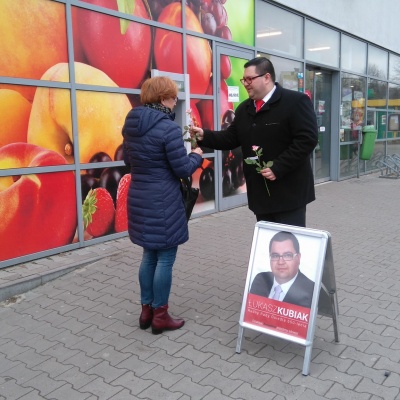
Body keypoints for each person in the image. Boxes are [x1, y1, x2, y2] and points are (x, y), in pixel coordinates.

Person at [191, 57, 318, 227]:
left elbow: (307, 139)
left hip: (289, 193)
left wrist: (278, 167)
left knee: (288, 245)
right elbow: (231, 138)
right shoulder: (244, 108)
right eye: (244, 79)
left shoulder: (295, 102)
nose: (246, 83)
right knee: (266, 245)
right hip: (260, 195)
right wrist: (204, 136)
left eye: (250, 79)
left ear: (266, 77)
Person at [122, 76, 203, 334]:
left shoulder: (131, 124)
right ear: (161, 98)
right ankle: (160, 316)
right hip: (163, 200)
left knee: (148, 255)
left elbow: (127, 161)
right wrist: (196, 156)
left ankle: (146, 311)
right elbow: (181, 169)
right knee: (165, 258)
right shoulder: (168, 128)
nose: (175, 101)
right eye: (172, 96)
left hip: (139, 197)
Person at [250, 231, 314, 308]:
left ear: (298, 258)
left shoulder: (311, 290)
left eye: (287, 255)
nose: (280, 262)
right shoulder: (261, 279)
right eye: (275, 256)